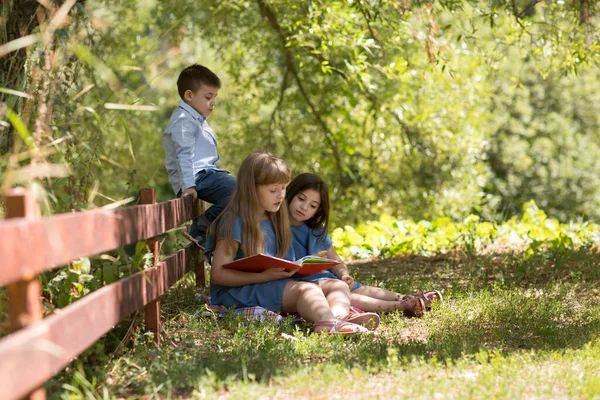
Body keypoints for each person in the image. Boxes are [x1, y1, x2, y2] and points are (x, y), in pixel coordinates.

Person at [205, 152, 372, 335]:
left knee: (337, 285)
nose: (281, 195)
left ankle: (340, 319)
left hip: (269, 284)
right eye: (273, 190)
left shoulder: (275, 217)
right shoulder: (234, 222)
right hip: (236, 292)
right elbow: (218, 275)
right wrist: (264, 277)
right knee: (307, 290)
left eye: (283, 188)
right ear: (252, 188)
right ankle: (328, 324)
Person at [286, 173, 443, 317]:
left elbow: (335, 260)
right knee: (349, 296)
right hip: (309, 287)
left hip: (330, 279)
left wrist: (344, 275)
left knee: (360, 288)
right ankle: (400, 306)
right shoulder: (277, 227)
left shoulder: (315, 231)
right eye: (301, 199)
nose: (304, 207)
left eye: (312, 206)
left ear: (318, 210)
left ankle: (407, 297)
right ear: (291, 194)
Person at [163, 64, 236, 246]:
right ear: (189, 96)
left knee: (244, 189)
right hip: (195, 177)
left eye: (215, 97)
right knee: (239, 191)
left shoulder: (195, 119)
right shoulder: (183, 121)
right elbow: (183, 155)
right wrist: (188, 186)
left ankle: (219, 234)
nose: (213, 102)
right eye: (208, 97)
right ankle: (201, 228)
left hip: (204, 174)